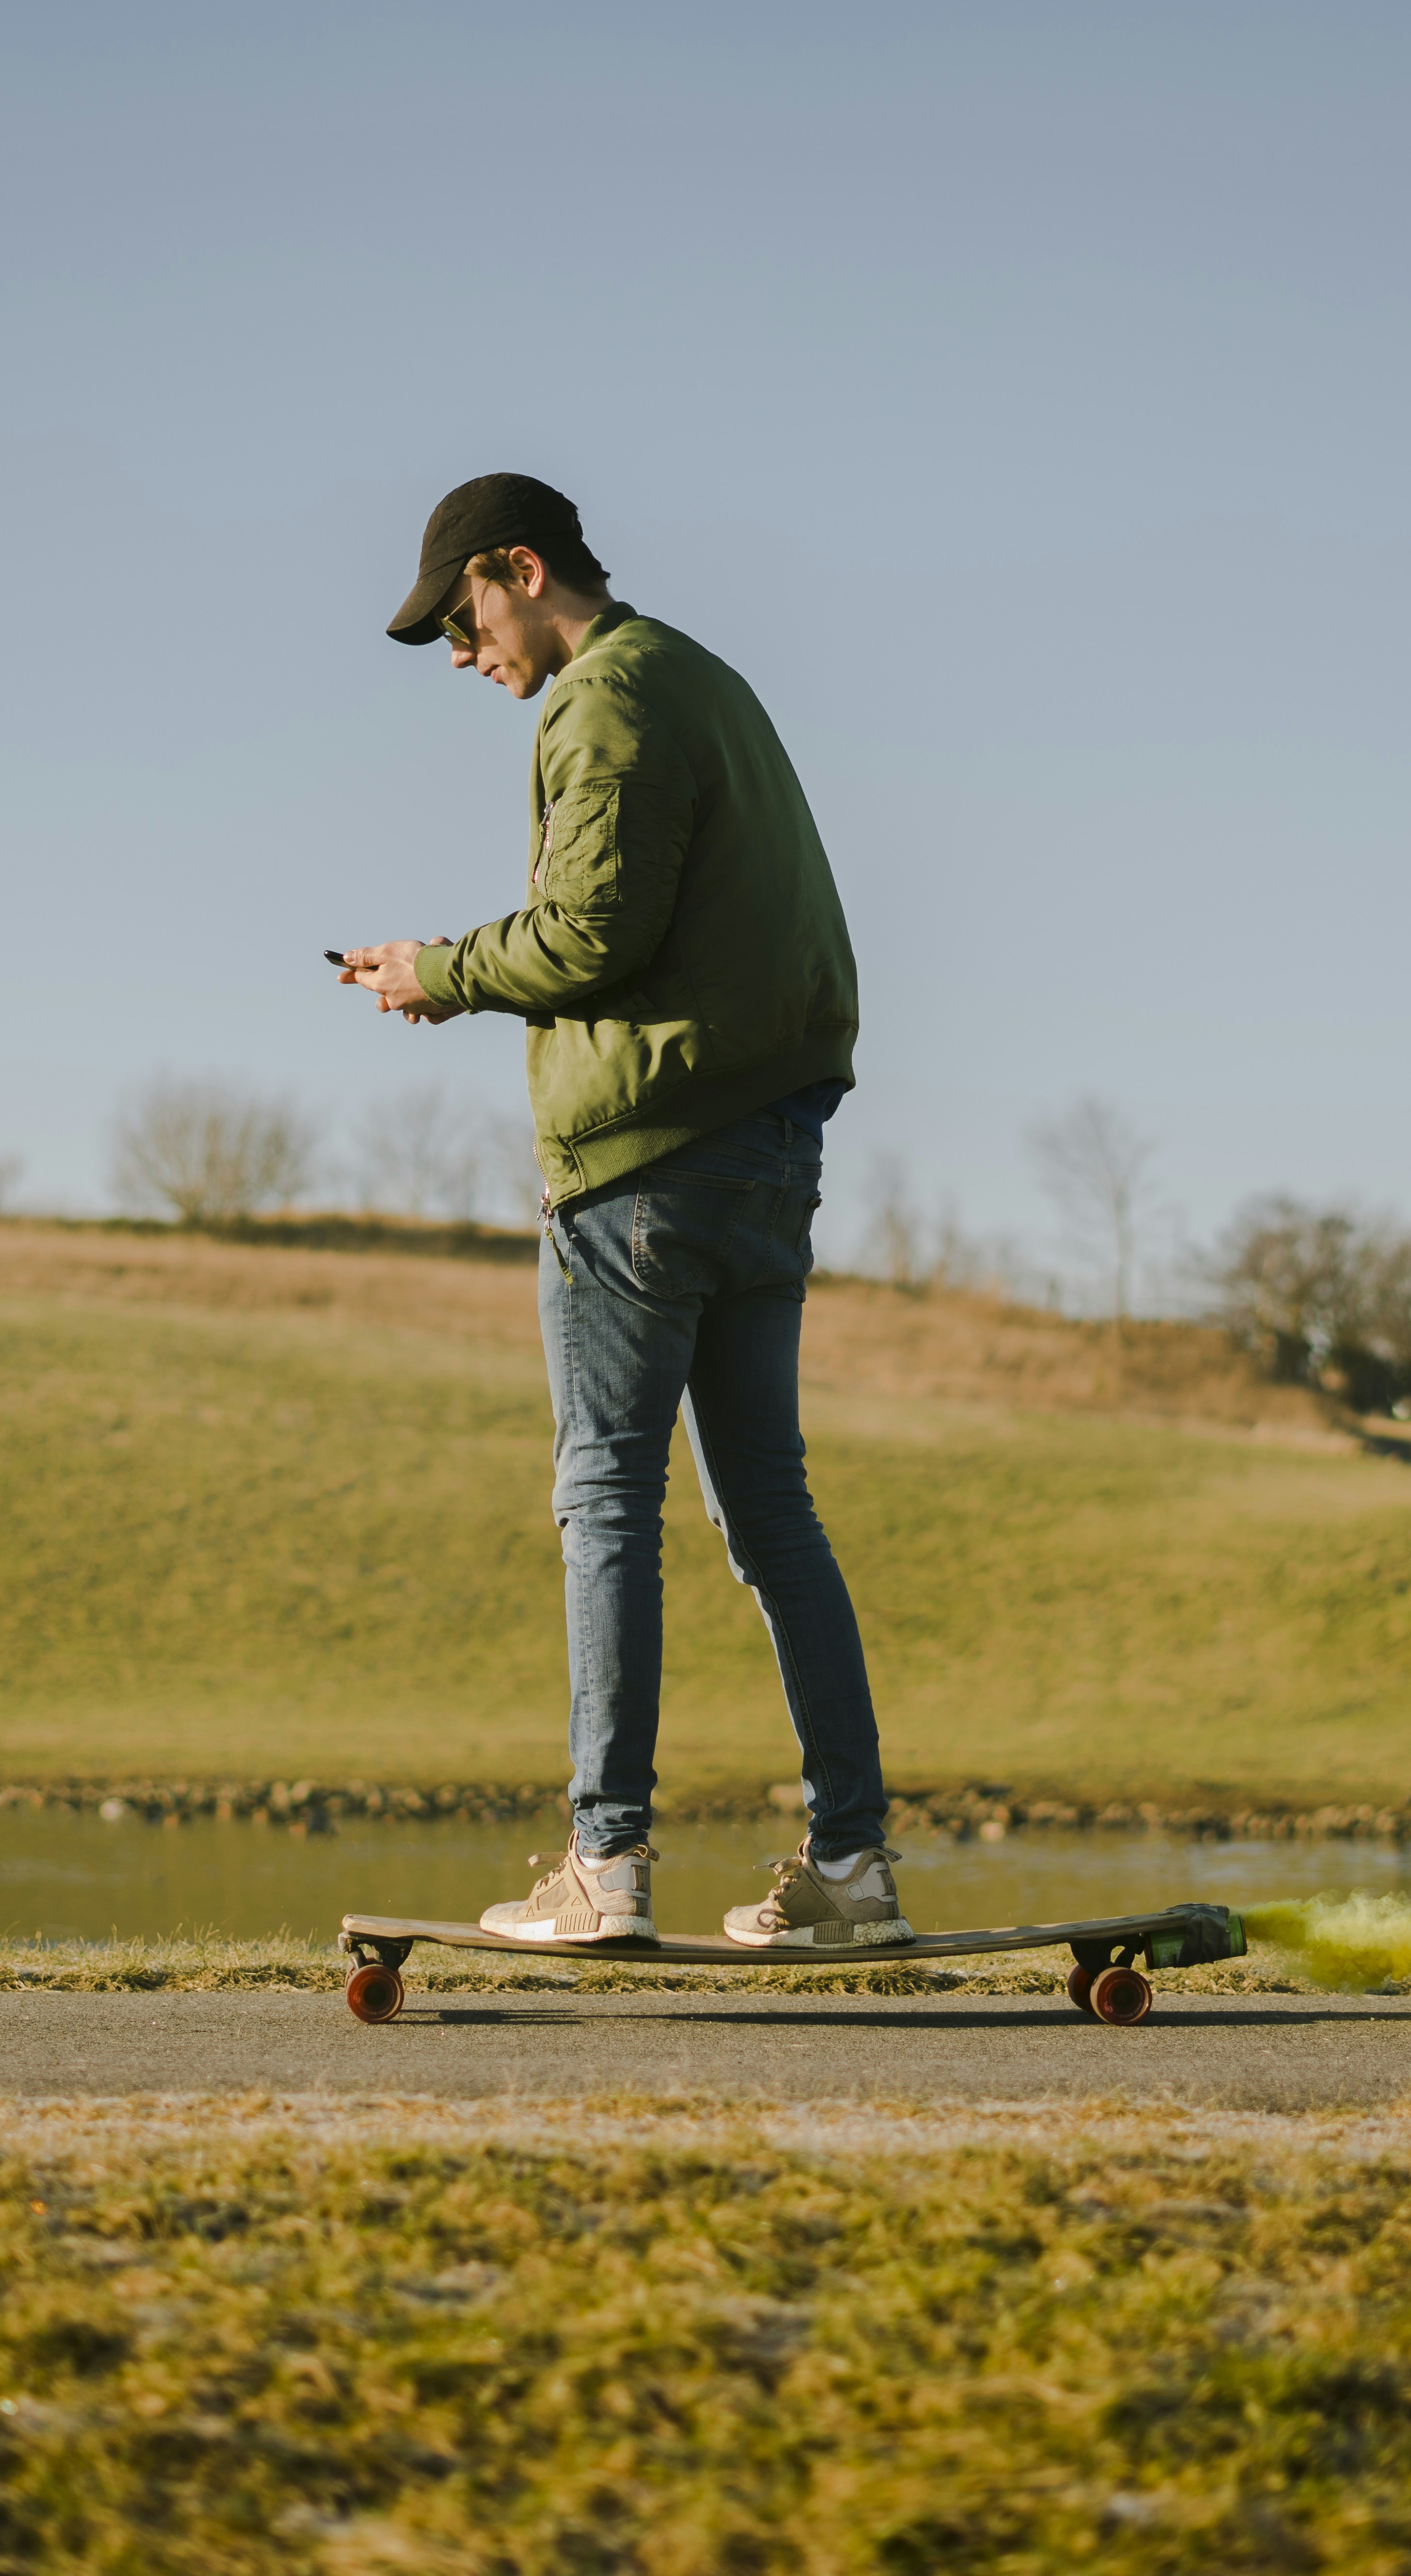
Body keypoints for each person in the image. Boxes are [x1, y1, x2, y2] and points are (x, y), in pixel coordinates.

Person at [333, 472, 908, 1952]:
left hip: (642, 1166)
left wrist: (435, 970)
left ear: (519, 570)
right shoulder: (708, 682)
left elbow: (595, 932)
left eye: (463, 620)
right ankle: (852, 1871)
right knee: (771, 1512)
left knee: (606, 1503)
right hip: (769, 1153)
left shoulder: (601, 702)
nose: (467, 658)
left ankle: (607, 1866)